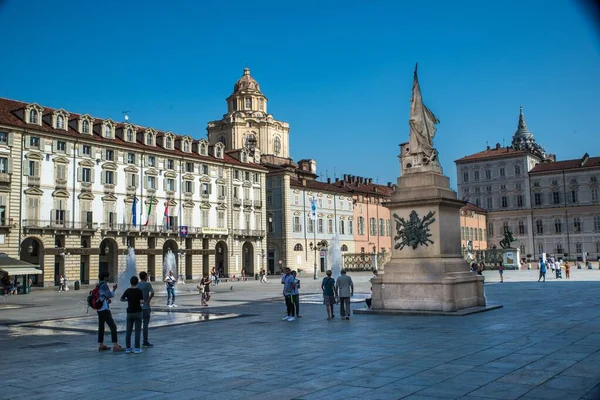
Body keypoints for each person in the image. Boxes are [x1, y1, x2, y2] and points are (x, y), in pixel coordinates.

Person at [96, 271, 124, 352]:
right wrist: (114, 289)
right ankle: (115, 345)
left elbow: (102, 296)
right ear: (105, 277)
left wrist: (107, 300)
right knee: (113, 327)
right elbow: (110, 295)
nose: (108, 278)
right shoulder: (104, 285)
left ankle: (101, 345)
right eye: (107, 277)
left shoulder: (98, 284)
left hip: (99, 309)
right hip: (104, 309)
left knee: (101, 327)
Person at [120, 276, 144, 354]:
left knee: (128, 331)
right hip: (138, 312)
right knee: (137, 331)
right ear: (137, 282)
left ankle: (128, 348)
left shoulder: (128, 290)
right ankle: (137, 348)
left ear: (130, 282)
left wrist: (128, 299)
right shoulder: (139, 291)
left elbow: (121, 299)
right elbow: (141, 301)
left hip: (129, 312)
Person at [137, 271, 154, 347]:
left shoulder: (137, 285)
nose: (147, 277)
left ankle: (137, 342)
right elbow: (152, 292)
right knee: (145, 325)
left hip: (138, 307)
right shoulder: (147, 284)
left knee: (137, 325)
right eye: (146, 276)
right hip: (146, 307)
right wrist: (148, 300)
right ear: (145, 277)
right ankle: (145, 341)